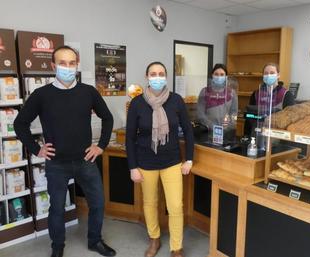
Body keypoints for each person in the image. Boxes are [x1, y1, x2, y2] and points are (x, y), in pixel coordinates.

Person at [14, 46, 116, 257]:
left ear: (77, 65)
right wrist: (36, 149)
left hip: (85, 161)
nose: (68, 67)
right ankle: (57, 246)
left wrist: (101, 145)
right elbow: (20, 123)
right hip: (57, 163)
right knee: (57, 208)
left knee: (97, 202)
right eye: (62, 63)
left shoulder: (88, 92)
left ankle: (95, 240)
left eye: (72, 63)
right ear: (53, 66)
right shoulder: (42, 95)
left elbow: (107, 118)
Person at [126, 62, 194, 257]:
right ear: (147, 77)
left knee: (175, 205)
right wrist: (133, 166)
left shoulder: (176, 100)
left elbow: (188, 131)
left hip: (172, 161)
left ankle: (176, 247)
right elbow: (130, 137)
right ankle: (154, 238)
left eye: (161, 74)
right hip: (145, 162)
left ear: (166, 76)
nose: (157, 77)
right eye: (153, 74)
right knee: (149, 202)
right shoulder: (137, 103)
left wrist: (189, 159)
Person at [196, 63, 238, 142]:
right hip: (207, 133)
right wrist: (213, 127)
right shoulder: (205, 92)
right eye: (216, 74)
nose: (219, 77)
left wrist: (227, 127)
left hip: (226, 134)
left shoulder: (232, 93)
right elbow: (200, 114)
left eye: (222, 74)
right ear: (212, 75)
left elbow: (234, 113)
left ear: (226, 77)